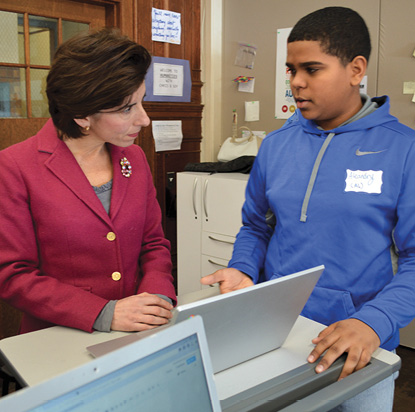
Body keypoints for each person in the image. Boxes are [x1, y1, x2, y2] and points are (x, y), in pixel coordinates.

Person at [202, 6, 415, 411]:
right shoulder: (277, 145)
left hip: (358, 346)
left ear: (356, 69)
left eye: (312, 70)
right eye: (290, 70)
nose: (296, 83)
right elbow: (256, 226)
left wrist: (373, 322)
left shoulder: (403, 150)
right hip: (275, 334)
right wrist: (244, 268)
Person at [0, 28, 176, 335]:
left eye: (141, 102)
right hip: (60, 335)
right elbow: (13, 273)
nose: (144, 119)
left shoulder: (133, 158)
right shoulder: (15, 167)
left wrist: (157, 298)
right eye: (126, 108)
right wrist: (102, 313)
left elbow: (154, 244)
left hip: (138, 332)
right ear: (82, 115)